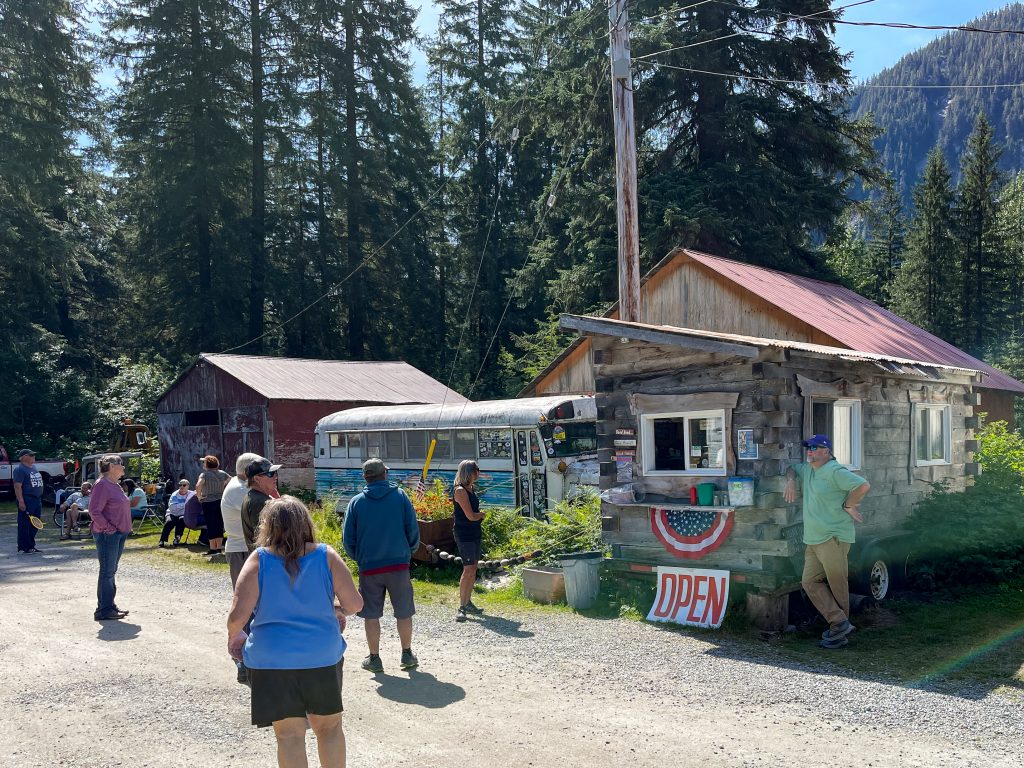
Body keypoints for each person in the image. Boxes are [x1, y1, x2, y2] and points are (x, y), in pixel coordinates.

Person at [227, 496, 362, 768]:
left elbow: (237, 617)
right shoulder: (326, 556)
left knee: (288, 736)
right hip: (321, 656)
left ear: (267, 526)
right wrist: (336, 609)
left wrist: (235, 636)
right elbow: (355, 604)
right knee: (329, 729)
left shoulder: (259, 559)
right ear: (306, 523)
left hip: (272, 660)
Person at [784, 434, 871, 649]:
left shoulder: (835, 471)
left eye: (814, 448)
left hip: (833, 538)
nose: (810, 451)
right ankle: (840, 622)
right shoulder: (808, 469)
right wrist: (791, 480)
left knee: (837, 583)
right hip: (813, 539)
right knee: (809, 582)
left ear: (826, 451)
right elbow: (791, 468)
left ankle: (839, 632)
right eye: (808, 447)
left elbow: (862, 485)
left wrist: (848, 505)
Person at [343, 458, 420, 673]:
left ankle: (374, 658)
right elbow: (412, 529)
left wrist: (360, 558)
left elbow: (348, 539)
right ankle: (407, 654)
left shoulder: (356, 502)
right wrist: (408, 553)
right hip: (398, 564)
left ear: (365, 477)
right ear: (385, 474)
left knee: (371, 614)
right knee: (404, 611)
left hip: (369, 567)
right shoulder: (400, 497)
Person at [222, 452, 265, 686]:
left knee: (251, 603)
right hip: (242, 550)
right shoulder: (241, 491)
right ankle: (244, 660)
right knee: (247, 603)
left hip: (241, 548)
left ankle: (249, 657)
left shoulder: (236, 484)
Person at [89, 454, 133, 621]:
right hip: (108, 535)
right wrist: (108, 528)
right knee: (107, 571)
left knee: (111, 570)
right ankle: (104, 610)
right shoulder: (102, 485)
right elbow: (94, 511)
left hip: (118, 533)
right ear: (111, 466)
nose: (123, 466)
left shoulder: (115, 485)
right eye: (120, 463)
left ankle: (109, 605)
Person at [452, 459, 486, 623]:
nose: (478, 473)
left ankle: (468, 602)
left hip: (475, 532)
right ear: (469, 472)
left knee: (473, 568)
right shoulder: (460, 490)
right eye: (476, 470)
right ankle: (462, 606)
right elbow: (471, 516)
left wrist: (478, 516)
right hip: (464, 533)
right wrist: (481, 515)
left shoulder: (471, 488)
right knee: (468, 569)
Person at [241, 458, 281, 552]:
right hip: (268, 557)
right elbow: (266, 538)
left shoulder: (254, 496)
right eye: (270, 473)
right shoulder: (261, 502)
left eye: (275, 472)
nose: (275, 476)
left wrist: (278, 501)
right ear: (257, 479)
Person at [195, 455, 231, 556]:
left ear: (207, 464)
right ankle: (218, 548)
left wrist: (199, 496)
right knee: (219, 524)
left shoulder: (204, 475)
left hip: (208, 502)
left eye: (204, 462)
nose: (203, 464)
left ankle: (213, 549)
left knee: (211, 525)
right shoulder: (222, 473)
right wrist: (223, 487)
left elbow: (198, 485)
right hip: (220, 501)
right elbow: (231, 479)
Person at [13, 448, 44, 554]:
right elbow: (17, 486)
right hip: (27, 499)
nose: (33, 456)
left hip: (36, 499)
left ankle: (31, 546)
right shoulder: (19, 469)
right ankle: (23, 547)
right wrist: (21, 501)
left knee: (35, 523)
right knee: (25, 524)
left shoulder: (33, 467)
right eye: (31, 455)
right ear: (23, 457)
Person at [160, 479, 193, 548]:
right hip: (172, 513)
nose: (182, 487)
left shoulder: (191, 494)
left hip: (183, 514)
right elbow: (173, 507)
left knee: (182, 520)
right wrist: (186, 504)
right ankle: (162, 540)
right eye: (180, 485)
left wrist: (180, 505)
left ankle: (177, 538)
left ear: (188, 486)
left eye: (184, 485)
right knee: (169, 522)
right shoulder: (175, 495)